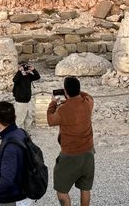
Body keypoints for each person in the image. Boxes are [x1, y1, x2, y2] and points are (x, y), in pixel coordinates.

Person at [47, 77, 94, 206]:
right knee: (85, 188)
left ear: (66, 92)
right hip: (88, 152)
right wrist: (76, 93)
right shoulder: (88, 102)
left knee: (61, 190)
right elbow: (88, 95)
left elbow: (51, 120)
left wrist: (53, 103)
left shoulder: (63, 109)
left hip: (70, 155)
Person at [0, 101, 32, 206]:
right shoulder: (22, 133)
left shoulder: (10, 145)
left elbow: (7, 179)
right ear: (15, 117)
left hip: (12, 197)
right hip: (25, 190)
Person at [12, 63, 40, 130]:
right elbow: (14, 80)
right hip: (20, 101)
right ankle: (19, 133)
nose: (25, 69)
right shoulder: (19, 76)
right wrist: (19, 71)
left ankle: (26, 132)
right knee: (19, 118)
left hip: (28, 100)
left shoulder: (29, 76)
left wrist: (33, 70)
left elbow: (37, 77)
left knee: (28, 118)